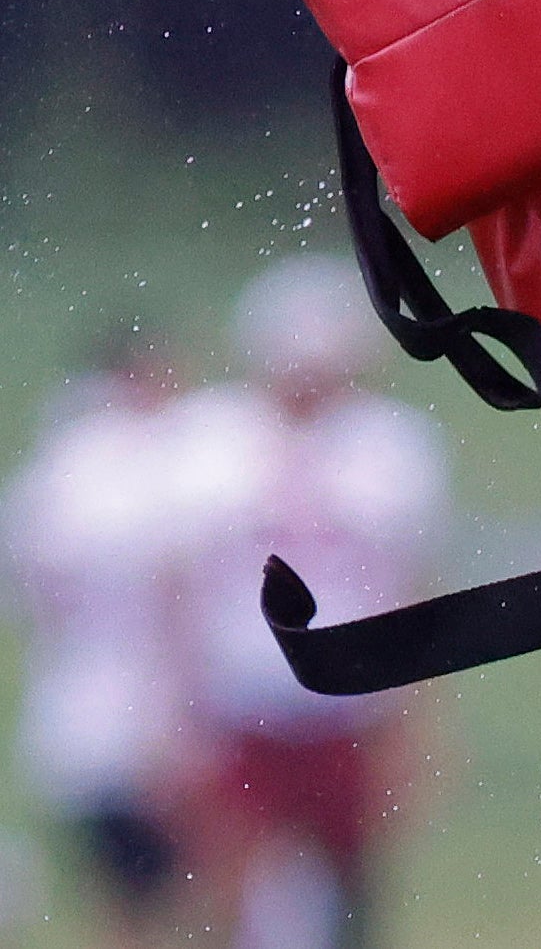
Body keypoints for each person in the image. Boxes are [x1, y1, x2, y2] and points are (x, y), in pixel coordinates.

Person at [173, 257, 450, 949]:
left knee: (352, 887)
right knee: (231, 884)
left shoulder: (386, 444)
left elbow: (410, 585)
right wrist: (176, 708)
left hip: (351, 705)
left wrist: (416, 718)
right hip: (239, 701)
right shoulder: (212, 438)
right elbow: (177, 587)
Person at [2, 332, 201, 949]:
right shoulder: (145, 466)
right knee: (183, 898)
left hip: (75, 714)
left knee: (125, 900)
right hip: (155, 712)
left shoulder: (52, 471)